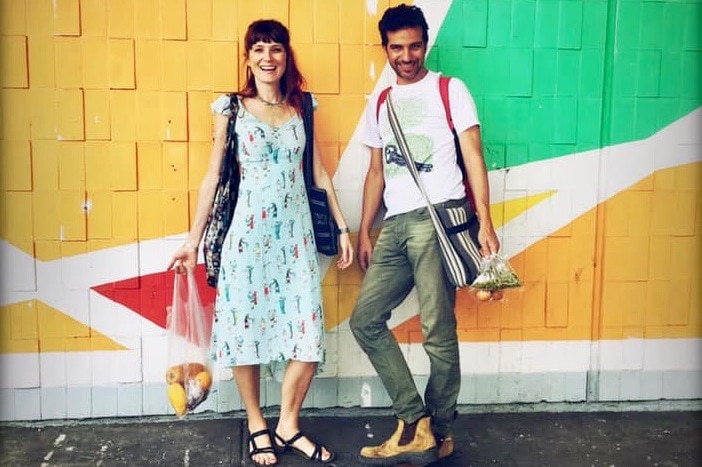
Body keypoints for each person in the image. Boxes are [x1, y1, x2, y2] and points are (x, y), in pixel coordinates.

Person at [167, 19, 353, 466]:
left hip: (295, 239)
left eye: (276, 49)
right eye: (258, 49)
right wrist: (193, 240)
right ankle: (257, 424)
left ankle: (288, 423)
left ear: (286, 57)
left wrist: (342, 227)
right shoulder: (230, 109)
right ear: (248, 58)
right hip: (246, 239)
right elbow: (213, 175)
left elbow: (320, 173)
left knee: (307, 334)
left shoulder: (303, 107)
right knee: (244, 332)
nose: (267, 57)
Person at [349, 4, 500, 465]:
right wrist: (365, 230)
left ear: (425, 43)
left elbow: (473, 156)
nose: (407, 56)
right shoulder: (381, 102)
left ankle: (442, 428)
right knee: (365, 319)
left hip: (439, 220)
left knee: (438, 333)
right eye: (397, 48)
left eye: (414, 45)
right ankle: (415, 421)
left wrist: (487, 223)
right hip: (395, 225)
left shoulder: (450, 90)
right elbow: (376, 171)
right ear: (386, 49)